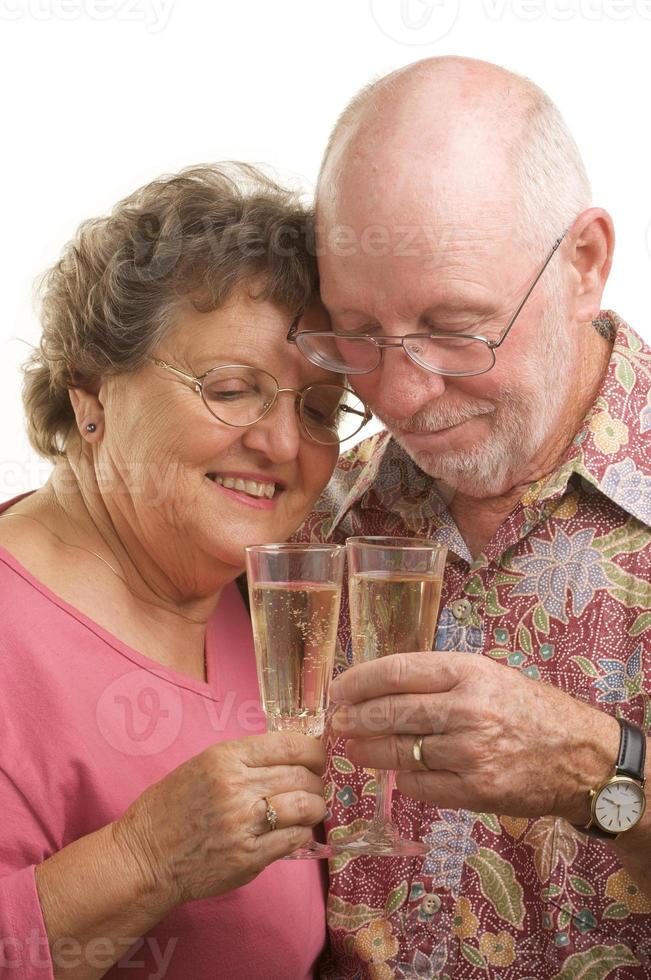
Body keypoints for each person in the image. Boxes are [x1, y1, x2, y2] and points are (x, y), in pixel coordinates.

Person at [292, 58, 651, 977]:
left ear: (585, 264)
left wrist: (603, 772)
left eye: (457, 326)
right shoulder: (313, 516)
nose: (402, 397)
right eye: (358, 334)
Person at [0, 163, 370, 979]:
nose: (280, 444)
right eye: (233, 390)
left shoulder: (271, 596)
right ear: (92, 393)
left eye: (316, 408)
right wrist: (145, 858)